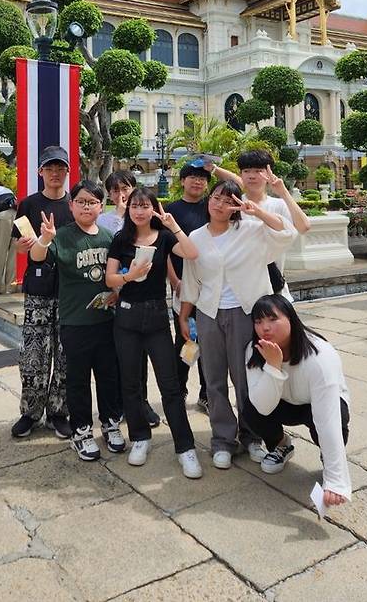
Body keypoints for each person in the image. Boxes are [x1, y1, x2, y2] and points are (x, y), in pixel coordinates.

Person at [179, 179, 297, 470]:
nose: (219, 204)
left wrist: (257, 212)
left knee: (246, 378)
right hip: (209, 314)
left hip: (245, 313)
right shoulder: (196, 235)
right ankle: (222, 439)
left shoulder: (252, 231)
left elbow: (288, 233)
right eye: (215, 198)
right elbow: (191, 280)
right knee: (214, 378)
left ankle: (252, 435)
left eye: (227, 199)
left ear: (236, 205)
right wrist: (185, 315)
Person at [105, 188, 203, 479]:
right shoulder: (121, 240)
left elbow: (192, 253)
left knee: (170, 385)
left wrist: (173, 226)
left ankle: (185, 447)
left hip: (157, 316)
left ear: (153, 209)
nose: (139, 211)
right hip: (126, 315)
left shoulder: (164, 238)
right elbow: (110, 278)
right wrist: (129, 277)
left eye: (145, 206)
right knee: (131, 383)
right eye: (135, 205)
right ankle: (140, 438)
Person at [31, 180, 124, 461]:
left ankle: (110, 423)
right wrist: (45, 238)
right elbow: (36, 258)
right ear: (71, 205)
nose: (87, 207)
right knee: (78, 380)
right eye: (81, 201)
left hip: (106, 320)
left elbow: (119, 274)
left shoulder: (109, 237)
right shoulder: (62, 236)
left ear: (101, 206)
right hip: (75, 321)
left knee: (109, 376)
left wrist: (116, 293)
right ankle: (81, 430)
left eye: (93, 202)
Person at [244, 294, 351, 506]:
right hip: (281, 403)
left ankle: (328, 457)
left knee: (336, 416)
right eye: (258, 322)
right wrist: (273, 367)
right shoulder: (254, 350)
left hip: (318, 404)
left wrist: (335, 481)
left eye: (272, 319)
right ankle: (281, 445)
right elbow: (263, 407)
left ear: (291, 319)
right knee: (250, 408)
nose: (265, 328)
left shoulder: (320, 356)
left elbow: (327, 420)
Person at [11, 146, 73, 440]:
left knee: (64, 354)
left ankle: (58, 412)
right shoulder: (29, 204)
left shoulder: (75, 204)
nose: (55, 174)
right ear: (40, 173)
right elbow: (18, 243)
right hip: (37, 287)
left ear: (68, 172)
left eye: (60, 169)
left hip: (70, 289)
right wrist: (22, 247)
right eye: (49, 169)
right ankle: (30, 412)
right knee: (34, 353)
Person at [98, 170, 160, 428]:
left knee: (140, 354)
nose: (120, 194)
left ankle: (142, 402)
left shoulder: (146, 220)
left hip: (139, 298)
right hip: (111, 295)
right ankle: (121, 404)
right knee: (116, 355)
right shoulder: (103, 220)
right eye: (114, 190)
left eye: (125, 188)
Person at [210, 151, 310, 300]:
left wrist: (283, 192)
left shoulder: (278, 205)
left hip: (273, 285)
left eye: (258, 171)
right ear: (241, 174)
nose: (252, 176)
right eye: (246, 171)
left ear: (268, 174)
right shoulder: (233, 206)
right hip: (238, 289)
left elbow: (303, 227)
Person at [165, 162, 209, 411]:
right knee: (184, 341)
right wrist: (174, 281)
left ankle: (206, 392)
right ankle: (179, 389)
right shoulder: (172, 211)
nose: (197, 182)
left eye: (202, 178)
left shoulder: (212, 207)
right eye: (192, 177)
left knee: (209, 342)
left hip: (209, 288)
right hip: (182, 287)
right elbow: (165, 252)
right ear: (182, 181)